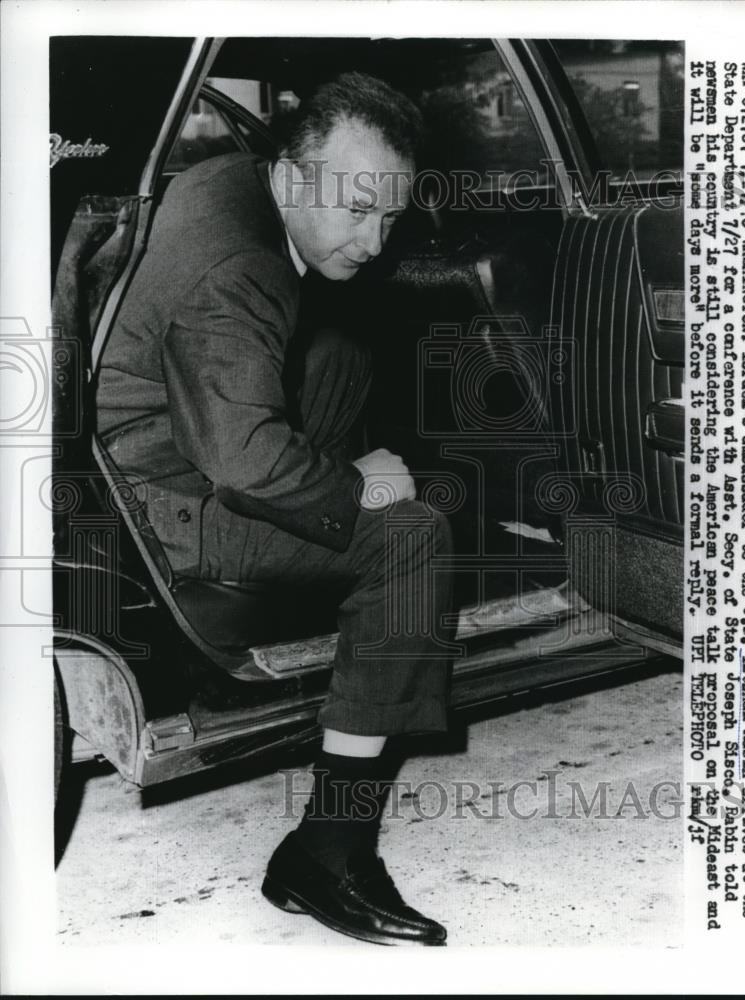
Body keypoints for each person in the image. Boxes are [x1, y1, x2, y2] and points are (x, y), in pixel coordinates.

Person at [96, 72, 456, 946]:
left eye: (391, 216)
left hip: (166, 436)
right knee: (415, 540)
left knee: (339, 352)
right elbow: (243, 460)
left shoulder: (232, 183)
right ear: (294, 180)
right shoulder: (239, 266)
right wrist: (361, 491)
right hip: (162, 502)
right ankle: (326, 854)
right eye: (357, 208)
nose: (374, 241)